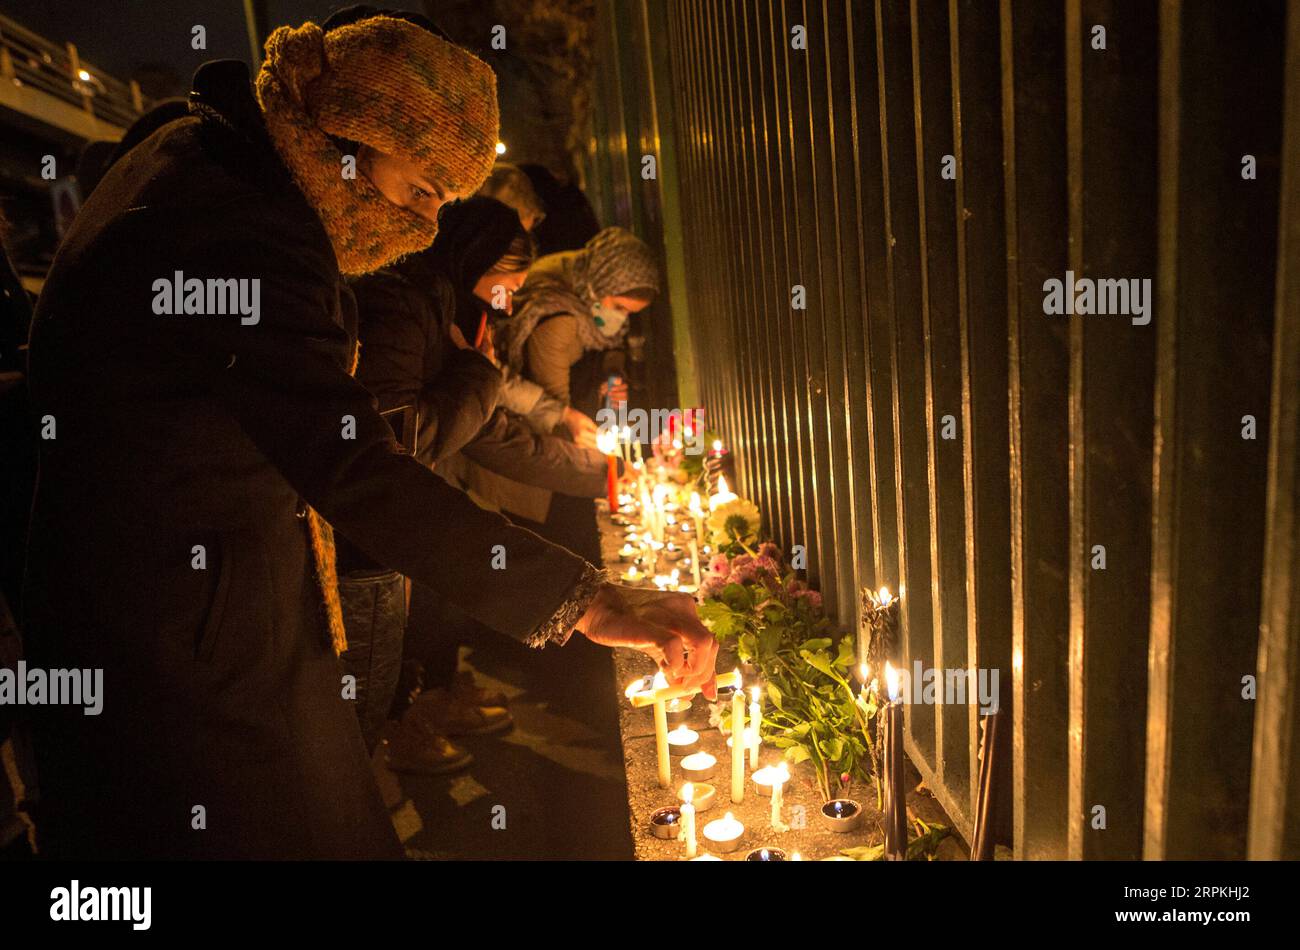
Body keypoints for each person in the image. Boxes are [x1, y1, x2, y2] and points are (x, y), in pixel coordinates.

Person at [22, 11, 715, 860]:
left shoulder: (216, 169)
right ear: (357, 132)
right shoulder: (234, 233)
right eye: (423, 186)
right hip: (181, 643)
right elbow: (356, 462)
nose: (423, 224)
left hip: (204, 603)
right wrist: (589, 601)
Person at [342, 196, 615, 770]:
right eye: (506, 281)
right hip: (371, 527)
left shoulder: (454, 311)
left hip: (413, 502)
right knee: (371, 667)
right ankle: (393, 733)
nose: (510, 298)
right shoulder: (404, 306)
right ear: (471, 260)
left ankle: (426, 702)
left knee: (431, 611)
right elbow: (416, 440)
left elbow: (478, 420)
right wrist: (480, 376)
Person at [491, 227, 659, 562]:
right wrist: (614, 471)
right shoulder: (559, 320)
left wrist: (612, 374)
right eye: (619, 307)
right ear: (602, 283)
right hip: (536, 469)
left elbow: (609, 348)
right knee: (556, 551)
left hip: (554, 454)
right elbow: (557, 421)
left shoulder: (583, 283)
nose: (621, 319)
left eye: (630, 314)